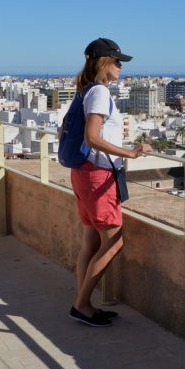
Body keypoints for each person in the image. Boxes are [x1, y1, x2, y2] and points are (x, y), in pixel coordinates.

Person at [69, 38, 152, 327]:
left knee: (90, 242)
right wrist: (130, 151)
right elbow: (92, 137)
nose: (121, 67)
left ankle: (84, 305)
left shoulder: (85, 91)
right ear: (104, 62)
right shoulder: (100, 92)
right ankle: (81, 305)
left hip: (83, 172)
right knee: (114, 242)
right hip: (97, 175)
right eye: (117, 61)